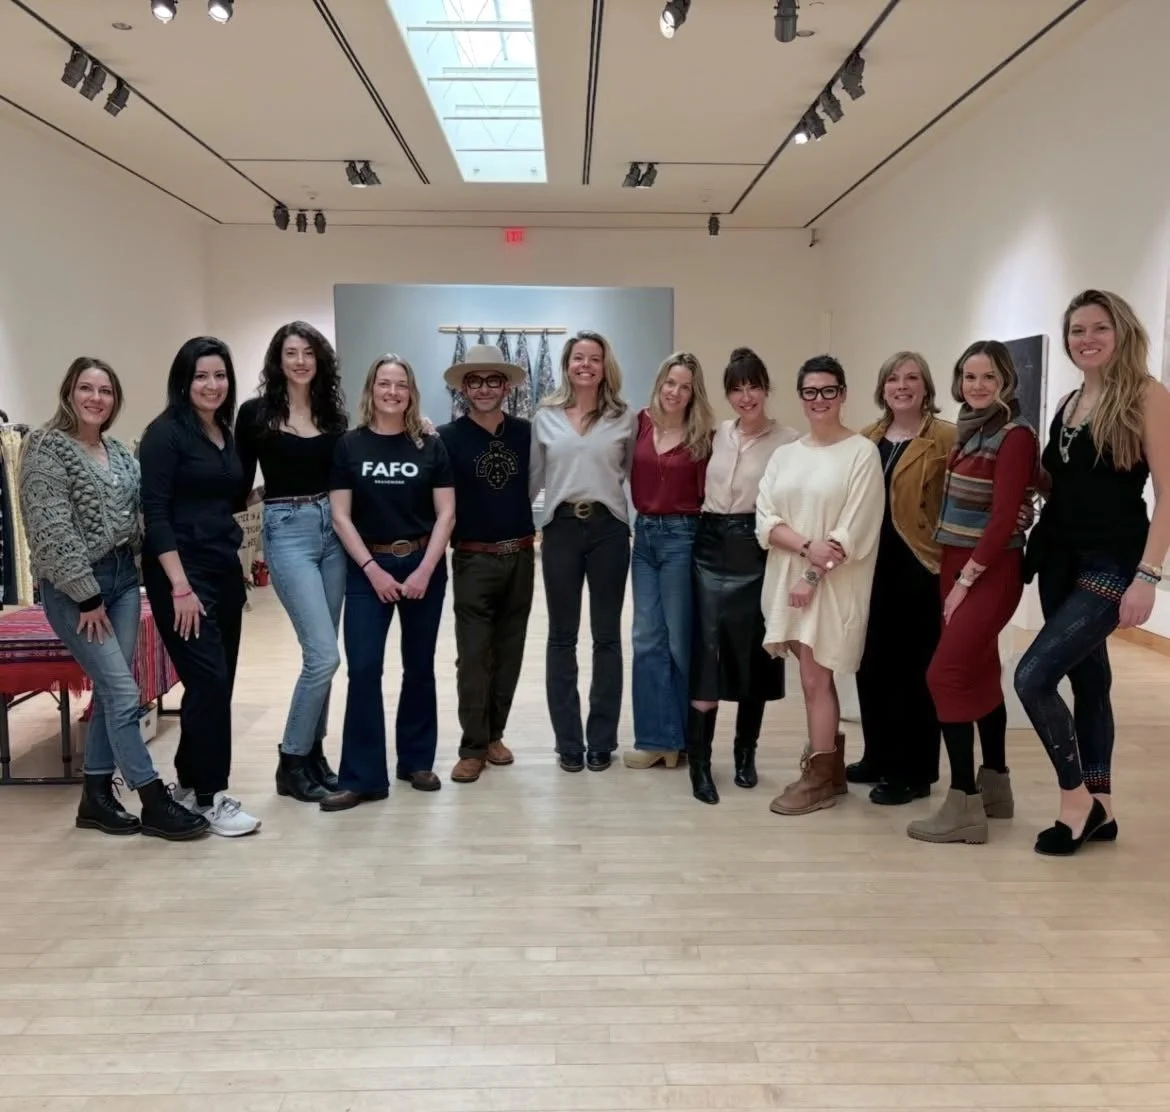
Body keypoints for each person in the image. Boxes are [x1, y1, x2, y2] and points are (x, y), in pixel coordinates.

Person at [19, 358, 208, 840]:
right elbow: (51, 528)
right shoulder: (45, 447)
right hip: (78, 591)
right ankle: (152, 797)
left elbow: (143, 512)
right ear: (69, 391)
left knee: (111, 690)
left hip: (124, 581)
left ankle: (95, 797)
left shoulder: (119, 452)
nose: (96, 398)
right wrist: (86, 597)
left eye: (105, 391)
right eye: (86, 388)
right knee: (124, 693)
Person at [1015, 290, 1170, 855]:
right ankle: (1102, 807)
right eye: (1077, 330)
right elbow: (1065, 482)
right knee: (1089, 680)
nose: (1087, 339)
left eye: (1099, 328)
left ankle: (1074, 800)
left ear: (1121, 332)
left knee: (1032, 677)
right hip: (1058, 559)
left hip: (1113, 561)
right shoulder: (1070, 401)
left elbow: (1168, 493)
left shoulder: (1147, 396)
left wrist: (1148, 576)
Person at [908, 341, 1037, 845]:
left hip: (989, 569)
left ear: (1006, 381)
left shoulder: (1014, 434)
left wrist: (965, 582)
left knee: (946, 674)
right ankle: (996, 787)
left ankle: (963, 801)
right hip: (955, 560)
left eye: (988, 377)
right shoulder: (970, 430)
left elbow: (1004, 517)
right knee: (979, 670)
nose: (977, 386)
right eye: (969, 376)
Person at [321, 354, 455, 810]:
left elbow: (446, 515)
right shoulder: (350, 445)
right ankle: (363, 777)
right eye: (384, 383)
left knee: (419, 666)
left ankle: (416, 761)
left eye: (401, 384)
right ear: (371, 389)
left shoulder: (430, 446)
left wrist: (424, 570)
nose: (392, 392)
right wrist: (371, 569)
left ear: (411, 392)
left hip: (422, 564)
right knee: (363, 669)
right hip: (368, 568)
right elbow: (340, 516)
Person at [139, 337, 261, 837]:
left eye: (220, 375)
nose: (212, 385)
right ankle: (213, 797)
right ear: (183, 381)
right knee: (208, 680)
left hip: (222, 568)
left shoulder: (223, 434)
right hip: (181, 575)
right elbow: (155, 514)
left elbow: (229, 498)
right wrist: (179, 587)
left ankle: (190, 783)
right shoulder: (164, 434)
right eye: (202, 376)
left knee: (217, 684)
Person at [757, 355, 884, 816]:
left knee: (816, 678)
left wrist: (812, 573)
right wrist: (806, 547)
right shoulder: (786, 454)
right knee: (811, 678)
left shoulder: (861, 453)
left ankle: (819, 776)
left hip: (830, 585)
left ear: (843, 394)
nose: (819, 399)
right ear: (801, 397)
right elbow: (765, 518)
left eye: (829, 390)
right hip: (786, 580)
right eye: (810, 391)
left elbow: (854, 528)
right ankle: (830, 770)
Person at [236, 322, 348, 803]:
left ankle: (314, 756)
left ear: (319, 360)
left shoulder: (333, 414)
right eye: (291, 353)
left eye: (308, 353)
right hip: (287, 530)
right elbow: (237, 478)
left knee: (323, 654)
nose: (300, 361)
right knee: (323, 654)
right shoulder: (255, 414)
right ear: (277, 361)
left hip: (333, 531)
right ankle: (292, 759)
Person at [687, 347, 794, 804]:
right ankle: (699, 763)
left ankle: (745, 753)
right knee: (707, 651)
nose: (746, 396)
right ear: (727, 394)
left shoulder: (788, 441)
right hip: (709, 545)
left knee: (754, 652)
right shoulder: (716, 435)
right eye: (736, 388)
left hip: (756, 549)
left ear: (766, 389)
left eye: (753, 386)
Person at [530, 330, 638, 772]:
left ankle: (602, 741)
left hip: (609, 528)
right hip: (560, 529)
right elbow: (534, 478)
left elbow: (632, 473)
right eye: (578, 358)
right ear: (567, 365)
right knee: (561, 637)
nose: (586, 365)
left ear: (604, 365)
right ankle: (569, 742)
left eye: (594, 358)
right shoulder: (545, 416)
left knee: (607, 637)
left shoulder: (624, 417)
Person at [851, 353, 954, 804]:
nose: (902, 385)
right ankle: (878, 755)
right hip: (871, 565)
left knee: (914, 672)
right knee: (872, 665)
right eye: (893, 378)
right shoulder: (866, 438)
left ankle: (915, 772)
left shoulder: (946, 437)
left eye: (912, 378)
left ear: (926, 386)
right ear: (882, 388)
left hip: (920, 565)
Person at [438, 344, 535, 784]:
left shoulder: (526, 434)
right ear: (463, 388)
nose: (483, 389)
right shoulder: (446, 438)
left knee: (510, 652)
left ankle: (496, 734)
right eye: (474, 381)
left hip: (521, 555)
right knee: (474, 656)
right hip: (473, 557)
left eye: (492, 380)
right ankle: (472, 746)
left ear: (506, 387)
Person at [625, 352, 715, 769]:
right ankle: (655, 740)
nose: (675, 392)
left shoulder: (702, 438)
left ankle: (685, 739)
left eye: (685, 387)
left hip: (683, 536)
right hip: (644, 537)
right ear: (659, 383)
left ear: (694, 394)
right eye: (670, 382)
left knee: (679, 641)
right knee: (646, 638)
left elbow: (710, 497)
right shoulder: (639, 423)